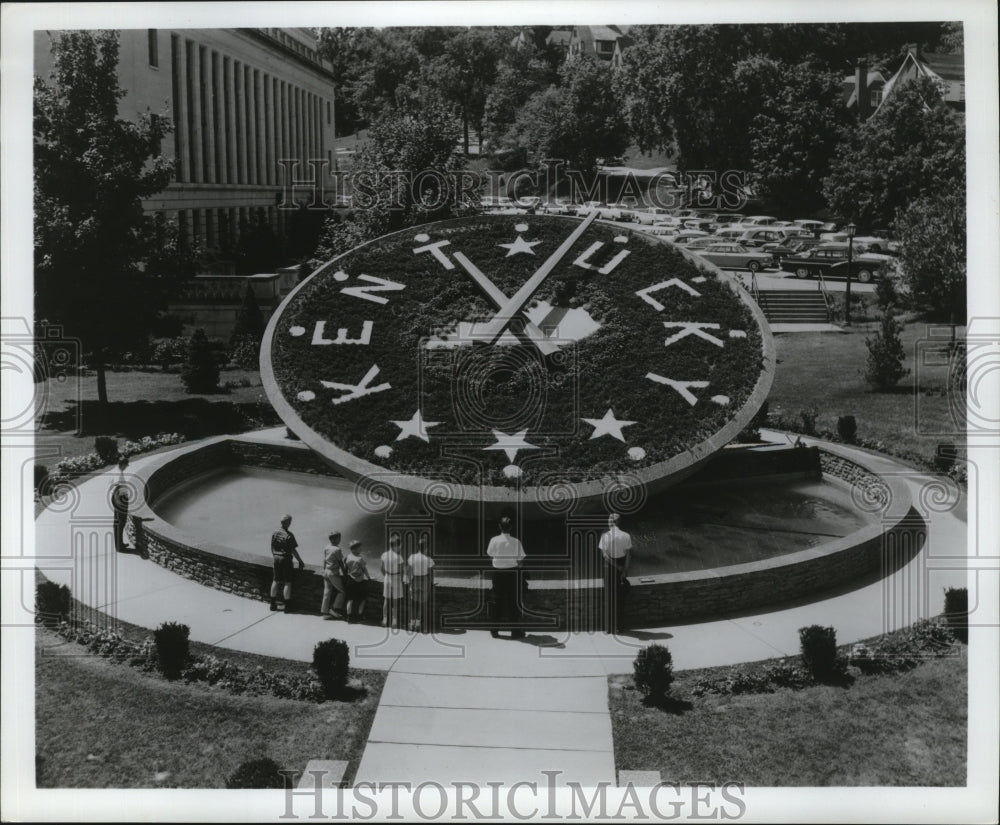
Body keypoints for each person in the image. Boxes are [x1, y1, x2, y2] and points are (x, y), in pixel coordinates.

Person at [486, 516, 526, 639]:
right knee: (513, 601)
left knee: (496, 600)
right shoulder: (516, 541)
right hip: (512, 573)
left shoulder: (494, 540)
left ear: (499, 526)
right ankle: (515, 632)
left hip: (497, 573)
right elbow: (521, 560)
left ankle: (494, 631)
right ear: (511, 527)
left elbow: (490, 554)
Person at [599, 513, 633, 633]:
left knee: (609, 597)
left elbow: (605, 556)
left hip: (610, 567)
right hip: (622, 566)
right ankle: (620, 626)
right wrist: (624, 570)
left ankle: (609, 628)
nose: (608, 522)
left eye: (609, 520)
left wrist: (617, 566)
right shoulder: (626, 536)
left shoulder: (605, 536)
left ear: (612, 522)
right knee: (620, 598)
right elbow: (628, 556)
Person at [269, 514, 304, 613]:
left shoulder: (274, 533)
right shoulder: (289, 535)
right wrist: (300, 562)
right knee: (287, 582)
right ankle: (287, 607)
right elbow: (293, 550)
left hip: (276, 558)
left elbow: (272, 547)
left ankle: (272, 604)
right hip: (286, 559)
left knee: (275, 580)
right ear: (288, 523)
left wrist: (275, 556)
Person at [407, 535, 436, 633]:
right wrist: (431, 582)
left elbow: (409, 571)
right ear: (426, 548)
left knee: (413, 603)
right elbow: (431, 573)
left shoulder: (412, 557)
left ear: (418, 547)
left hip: (415, 579)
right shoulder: (429, 559)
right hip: (424, 580)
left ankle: (412, 623)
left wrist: (410, 581)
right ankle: (418, 624)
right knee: (421, 603)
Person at [380, 534, 406, 629]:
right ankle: (394, 621)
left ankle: (384, 620)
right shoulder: (399, 557)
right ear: (397, 546)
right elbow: (401, 571)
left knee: (386, 600)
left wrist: (386, 576)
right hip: (396, 578)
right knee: (395, 601)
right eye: (400, 545)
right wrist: (402, 580)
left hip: (387, 577)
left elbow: (381, 569)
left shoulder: (384, 555)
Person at [320, 531, 347, 620]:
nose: (340, 540)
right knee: (342, 591)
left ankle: (325, 612)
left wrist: (324, 571)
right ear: (335, 539)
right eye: (339, 538)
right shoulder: (337, 549)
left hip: (326, 571)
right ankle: (334, 609)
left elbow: (324, 560)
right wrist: (345, 573)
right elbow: (341, 563)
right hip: (333, 572)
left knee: (327, 592)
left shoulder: (326, 547)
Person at [344, 539, 370, 623]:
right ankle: (359, 616)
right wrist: (369, 577)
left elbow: (345, 568)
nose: (361, 550)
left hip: (350, 581)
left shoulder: (347, 557)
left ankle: (349, 617)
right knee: (362, 599)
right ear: (354, 549)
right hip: (359, 582)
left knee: (350, 600)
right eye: (359, 548)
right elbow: (364, 569)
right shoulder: (359, 559)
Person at [110, 457, 131, 552]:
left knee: (117, 522)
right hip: (119, 498)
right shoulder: (119, 474)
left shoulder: (115, 471)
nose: (126, 467)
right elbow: (120, 489)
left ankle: (119, 544)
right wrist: (125, 497)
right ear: (122, 464)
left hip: (116, 498)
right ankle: (119, 547)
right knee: (121, 522)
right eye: (126, 465)